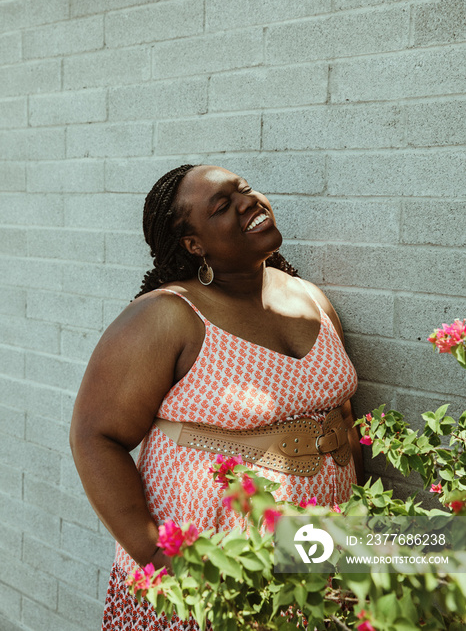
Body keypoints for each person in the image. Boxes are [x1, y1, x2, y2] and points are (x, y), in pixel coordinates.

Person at [70, 163, 364, 630]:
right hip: (209, 569)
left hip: (319, 551)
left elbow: (342, 416)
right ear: (194, 245)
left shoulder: (310, 298)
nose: (247, 202)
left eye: (244, 190)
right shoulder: (167, 316)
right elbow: (94, 436)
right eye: (223, 206)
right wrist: (156, 556)